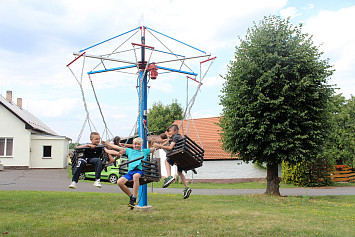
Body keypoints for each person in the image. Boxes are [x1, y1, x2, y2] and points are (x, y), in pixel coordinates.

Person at [103, 137, 156, 209]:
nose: (137, 145)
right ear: (133, 145)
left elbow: (154, 148)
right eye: (135, 144)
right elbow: (118, 148)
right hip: (131, 172)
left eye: (138, 144)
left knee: (135, 176)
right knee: (119, 182)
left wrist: (153, 143)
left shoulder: (144, 151)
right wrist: (107, 144)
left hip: (139, 171)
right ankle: (131, 196)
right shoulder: (129, 151)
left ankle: (134, 197)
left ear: (141, 145)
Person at [153, 124, 192, 199]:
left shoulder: (176, 137)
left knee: (166, 161)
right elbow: (165, 140)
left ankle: (169, 176)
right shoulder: (177, 137)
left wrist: (160, 146)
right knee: (179, 172)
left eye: (170, 131)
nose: (169, 133)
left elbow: (170, 148)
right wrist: (156, 141)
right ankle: (186, 188)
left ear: (175, 131)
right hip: (182, 156)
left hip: (178, 155)